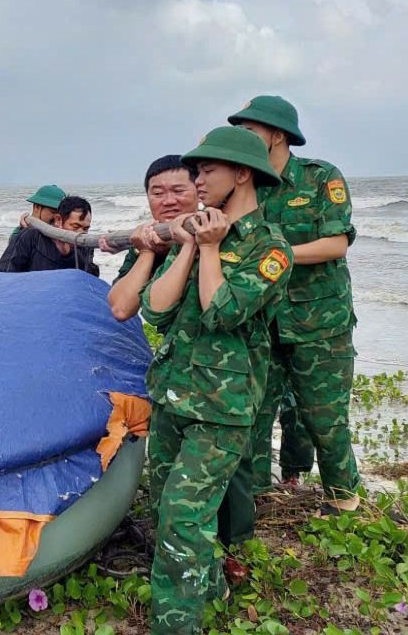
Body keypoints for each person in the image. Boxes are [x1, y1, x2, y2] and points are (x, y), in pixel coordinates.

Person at [139, 126, 291, 634]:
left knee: (184, 520)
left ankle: (175, 626)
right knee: (167, 511)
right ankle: (211, 585)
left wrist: (209, 250)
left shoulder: (270, 250)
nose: (196, 180)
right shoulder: (199, 233)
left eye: (207, 170)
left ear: (242, 174)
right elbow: (155, 312)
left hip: (220, 409)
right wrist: (187, 247)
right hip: (172, 395)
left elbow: (222, 311)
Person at [229, 95, 362, 517]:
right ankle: (250, 503)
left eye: (250, 131)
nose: (242, 139)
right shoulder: (245, 182)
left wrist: (274, 254)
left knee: (324, 420)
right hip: (261, 322)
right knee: (252, 417)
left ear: (278, 135)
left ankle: (343, 501)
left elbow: (335, 243)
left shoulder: (320, 178)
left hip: (318, 322)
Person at [105, 155, 199, 321]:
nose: (169, 201)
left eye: (179, 191)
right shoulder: (146, 242)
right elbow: (121, 309)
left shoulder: (212, 234)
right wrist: (146, 252)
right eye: (157, 193)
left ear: (200, 191)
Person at [0, 195, 100, 275]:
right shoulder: (30, 237)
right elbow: (4, 273)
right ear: (58, 220)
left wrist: (68, 255)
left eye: (86, 228)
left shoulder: (85, 244)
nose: (80, 233)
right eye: (75, 226)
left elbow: (89, 280)